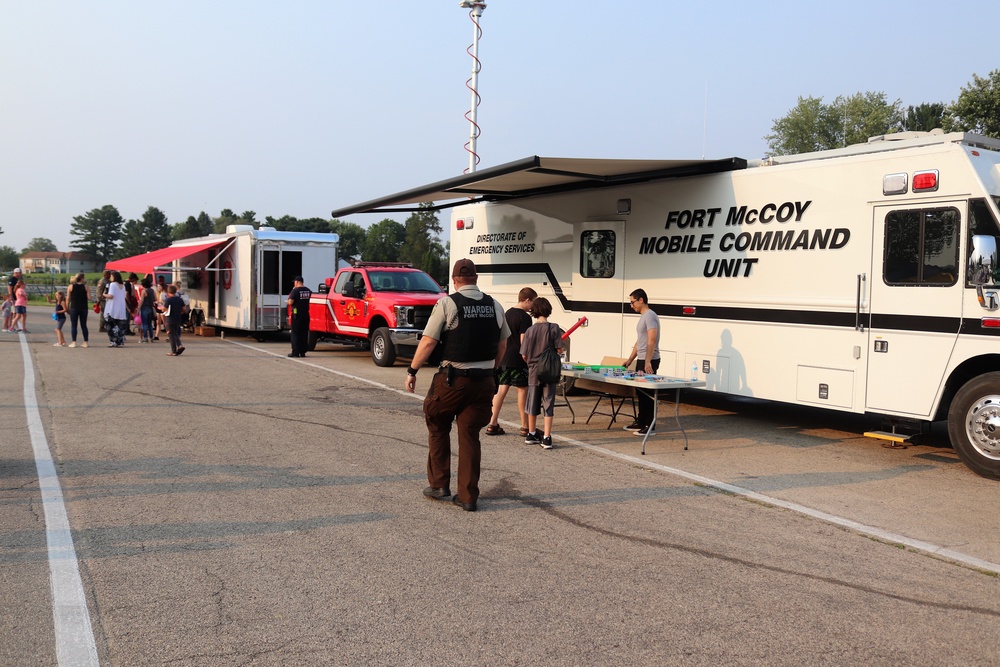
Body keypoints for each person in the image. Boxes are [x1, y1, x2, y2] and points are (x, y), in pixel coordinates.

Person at [404, 258, 510, 512]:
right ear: (476, 278)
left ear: (454, 280)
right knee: (470, 435)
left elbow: (429, 342)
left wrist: (412, 370)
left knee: (438, 423)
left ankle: (440, 484)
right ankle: (468, 496)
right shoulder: (494, 305)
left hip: (453, 379)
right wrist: (491, 371)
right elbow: (503, 344)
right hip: (484, 382)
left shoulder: (447, 303)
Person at [485, 286, 537, 438]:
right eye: (533, 302)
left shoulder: (507, 313)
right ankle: (525, 426)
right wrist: (528, 357)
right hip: (518, 358)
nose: (533, 306)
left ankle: (492, 423)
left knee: (501, 390)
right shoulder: (525, 318)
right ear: (527, 300)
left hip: (504, 356)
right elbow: (523, 340)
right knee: (522, 390)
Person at [520, 297, 564, 450]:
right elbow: (559, 349)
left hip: (533, 371)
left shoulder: (530, 330)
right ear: (548, 310)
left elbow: (524, 354)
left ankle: (531, 433)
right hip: (550, 371)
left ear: (534, 311)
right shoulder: (554, 327)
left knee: (532, 402)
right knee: (548, 401)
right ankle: (547, 437)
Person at [623, 288, 661, 436]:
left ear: (641, 300)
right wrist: (630, 359)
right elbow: (640, 341)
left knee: (648, 393)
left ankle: (650, 425)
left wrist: (648, 361)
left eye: (633, 302)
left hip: (649, 360)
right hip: (642, 359)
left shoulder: (650, 316)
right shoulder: (643, 316)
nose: (632, 306)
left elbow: (652, 339)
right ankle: (640, 421)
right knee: (640, 392)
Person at [286, 276, 312, 357]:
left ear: (297, 282)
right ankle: (303, 351)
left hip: (297, 315)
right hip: (306, 314)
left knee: (295, 333)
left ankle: (295, 352)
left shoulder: (295, 291)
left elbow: (290, 302)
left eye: (294, 282)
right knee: (304, 333)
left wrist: (287, 301)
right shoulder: (308, 290)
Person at [103, 271, 129, 347]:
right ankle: (120, 340)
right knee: (120, 325)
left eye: (111, 276)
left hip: (113, 307)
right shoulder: (123, 286)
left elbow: (111, 296)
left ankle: (113, 341)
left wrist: (104, 294)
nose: (110, 278)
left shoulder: (113, 284)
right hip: (120, 307)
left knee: (110, 325)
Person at [161, 284, 187, 356]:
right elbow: (184, 309)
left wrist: (161, 308)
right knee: (175, 333)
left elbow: (164, 309)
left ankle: (174, 351)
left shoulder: (168, 300)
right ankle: (180, 345)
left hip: (170, 318)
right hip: (178, 318)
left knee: (170, 334)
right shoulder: (180, 299)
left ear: (168, 292)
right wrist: (180, 312)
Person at [67, 272, 90, 348]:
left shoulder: (71, 287)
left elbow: (68, 298)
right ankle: (85, 342)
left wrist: (67, 307)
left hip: (74, 307)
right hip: (83, 307)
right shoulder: (86, 287)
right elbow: (89, 298)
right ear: (82, 279)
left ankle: (74, 342)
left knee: (74, 325)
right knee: (84, 325)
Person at [138, 276, 156, 343]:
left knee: (144, 324)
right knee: (150, 324)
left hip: (144, 308)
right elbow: (155, 299)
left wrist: (139, 308)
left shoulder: (144, 291)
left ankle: (145, 337)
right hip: (150, 308)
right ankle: (151, 337)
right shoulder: (152, 290)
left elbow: (142, 300)